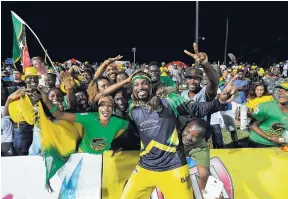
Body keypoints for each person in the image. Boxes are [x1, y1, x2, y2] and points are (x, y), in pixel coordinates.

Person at [120, 66, 236, 199]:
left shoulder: (170, 101)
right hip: (144, 168)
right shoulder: (132, 109)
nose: (140, 87)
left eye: (144, 83)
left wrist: (219, 101)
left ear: (151, 86)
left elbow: (197, 109)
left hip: (173, 169)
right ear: (133, 89)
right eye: (136, 84)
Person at [182, 118, 223, 199]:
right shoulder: (172, 128)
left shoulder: (202, 148)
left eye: (195, 137)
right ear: (185, 126)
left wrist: (209, 192)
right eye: (188, 131)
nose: (188, 137)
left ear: (202, 139)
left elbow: (204, 174)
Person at [248, 81, 288, 147]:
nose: (281, 93)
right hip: (258, 143)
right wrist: (269, 138)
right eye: (280, 90)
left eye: (286, 91)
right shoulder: (265, 106)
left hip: (279, 144)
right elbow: (252, 125)